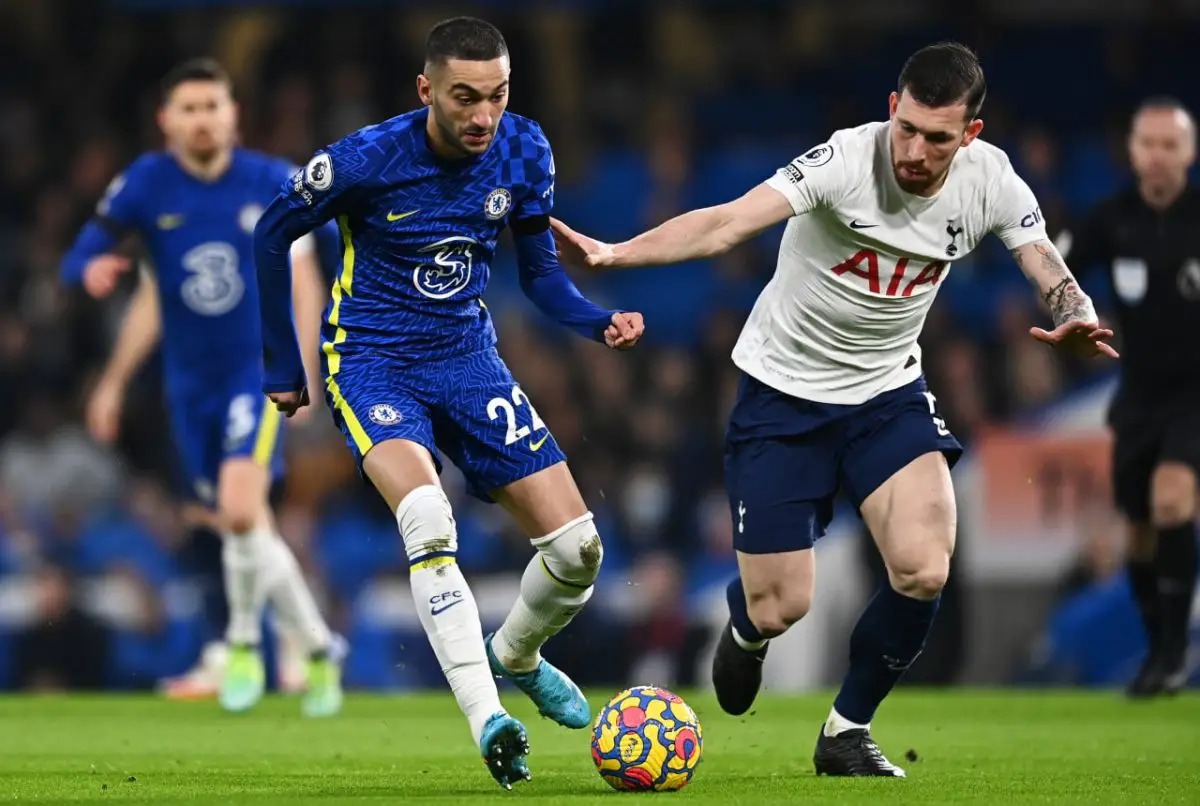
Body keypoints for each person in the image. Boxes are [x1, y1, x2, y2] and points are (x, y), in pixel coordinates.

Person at [553, 41, 1116, 777]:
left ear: (970, 136)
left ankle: (845, 731)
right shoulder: (845, 161)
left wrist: (1073, 306)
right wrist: (616, 255)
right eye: (906, 127)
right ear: (892, 109)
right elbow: (729, 221)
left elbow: (1041, 255)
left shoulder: (990, 180)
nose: (915, 149)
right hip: (781, 397)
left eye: (937, 137)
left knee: (923, 566)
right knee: (783, 604)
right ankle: (749, 627)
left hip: (885, 393)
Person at [253, 17, 644, 789]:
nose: (482, 116)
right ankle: (485, 715)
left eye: (496, 96)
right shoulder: (366, 159)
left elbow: (538, 274)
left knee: (578, 553)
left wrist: (596, 321)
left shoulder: (525, 148)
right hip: (372, 361)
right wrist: (282, 364)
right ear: (426, 89)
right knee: (429, 517)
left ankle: (517, 655)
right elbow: (272, 232)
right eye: (464, 98)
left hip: (469, 360)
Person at [61, 58, 344, 717]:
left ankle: (240, 644)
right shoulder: (147, 185)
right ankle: (315, 643)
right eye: (188, 108)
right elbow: (106, 269)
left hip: (257, 372)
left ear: (233, 113)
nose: (202, 119)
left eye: (213, 106)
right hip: (189, 388)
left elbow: (306, 283)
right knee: (233, 524)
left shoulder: (273, 182)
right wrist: (109, 372)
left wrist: (297, 371)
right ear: (166, 121)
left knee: (242, 510)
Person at [1054, 97, 1200, 698]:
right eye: (1149, 144)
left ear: (1189, 153)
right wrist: (1069, 319)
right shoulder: (1109, 219)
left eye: (1171, 145)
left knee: (1172, 502)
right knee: (1138, 531)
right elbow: (1058, 273)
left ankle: (1170, 655)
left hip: (1196, 392)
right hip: (1137, 394)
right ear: (1133, 151)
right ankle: (1158, 648)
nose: (1159, 156)